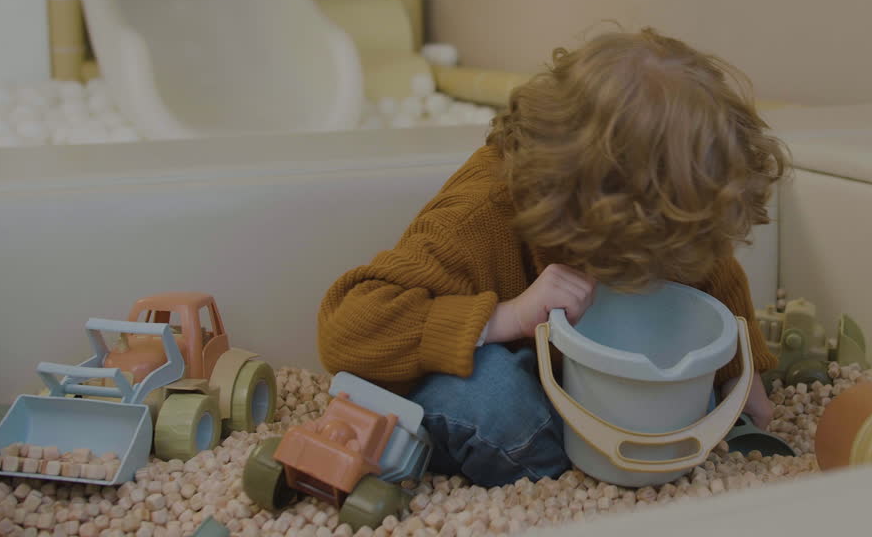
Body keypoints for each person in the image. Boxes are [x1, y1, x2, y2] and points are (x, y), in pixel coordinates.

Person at [316, 27, 790, 487]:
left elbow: (714, 274)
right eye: (652, 258)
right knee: (506, 412)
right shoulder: (481, 212)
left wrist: (738, 376)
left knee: (688, 396)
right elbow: (345, 328)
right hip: (494, 363)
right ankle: (552, 466)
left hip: (582, 378)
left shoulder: (669, 216)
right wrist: (507, 317)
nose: (669, 267)